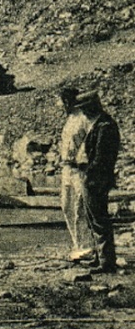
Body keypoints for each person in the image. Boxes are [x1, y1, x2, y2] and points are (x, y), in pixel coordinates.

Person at [75, 91, 121, 274]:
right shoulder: (100, 124)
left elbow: (102, 158)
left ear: (92, 106)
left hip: (96, 179)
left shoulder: (105, 126)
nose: (83, 112)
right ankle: (99, 256)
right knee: (92, 218)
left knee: (99, 219)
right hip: (94, 177)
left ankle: (106, 262)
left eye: (85, 108)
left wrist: (87, 170)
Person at [54, 87, 92, 262]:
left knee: (80, 208)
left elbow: (88, 143)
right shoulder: (69, 118)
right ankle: (77, 244)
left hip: (79, 169)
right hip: (66, 168)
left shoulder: (84, 118)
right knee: (66, 205)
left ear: (68, 101)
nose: (60, 106)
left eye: (61, 102)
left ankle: (86, 247)